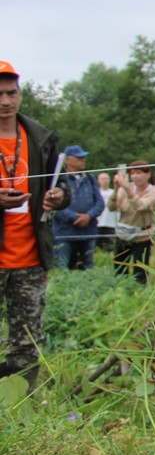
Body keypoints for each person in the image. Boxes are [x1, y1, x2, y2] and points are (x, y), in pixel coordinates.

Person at [0, 60, 70, 387]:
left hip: (30, 257)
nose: (5, 101)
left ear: (20, 94)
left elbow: (63, 185)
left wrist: (59, 196)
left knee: (27, 339)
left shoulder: (40, 138)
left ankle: (21, 401)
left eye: (11, 93)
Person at [109, 160, 155, 284]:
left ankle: (139, 291)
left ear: (148, 174)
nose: (135, 176)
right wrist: (116, 189)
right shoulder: (124, 189)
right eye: (132, 173)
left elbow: (141, 206)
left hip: (142, 236)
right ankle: (119, 289)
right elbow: (111, 207)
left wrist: (128, 191)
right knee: (119, 268)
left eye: (138, 173)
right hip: (123, 234)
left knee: (140, 269)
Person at [51, 145, 103, 270]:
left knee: (88, 268)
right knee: (62, 268)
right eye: (79, 157)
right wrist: (74, 217)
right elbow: (55, 203)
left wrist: (88, 216)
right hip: (65, 232)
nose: (83, 160)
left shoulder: (90, 178)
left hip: (88, 232)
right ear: (67, 160)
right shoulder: (58, 179)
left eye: (83, 157)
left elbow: (100, 202)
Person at [97, 172, 118, 245]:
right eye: (103, 179)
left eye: (107, 179)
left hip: (111, 224)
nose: (105, 181)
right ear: (98, 180)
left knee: (111, 246)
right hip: (98, 224)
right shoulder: (96, 193)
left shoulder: (114, 193)